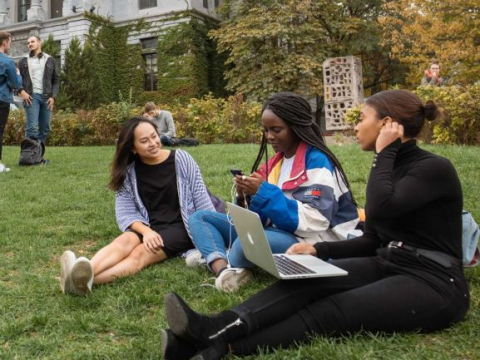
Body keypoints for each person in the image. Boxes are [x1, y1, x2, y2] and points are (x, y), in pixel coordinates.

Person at [161, 89, 469, 360]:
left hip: (434, 281)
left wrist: (384, 153)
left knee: (332, 309)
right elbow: (372, 237)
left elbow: (383, 206)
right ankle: (215, 326)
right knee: (306, 282)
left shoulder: (433, 168)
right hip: (386, 260)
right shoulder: (391, 169)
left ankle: (219, 349)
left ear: (389, 124)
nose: (355, 125)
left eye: (362, 118)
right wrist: (318, 250)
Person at [186, 92, 360, 292]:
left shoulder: (317, 161)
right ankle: (225, 269)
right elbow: (263, 217)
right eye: (266, 130)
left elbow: (316, 220)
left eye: (276, 129)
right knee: (201, 218)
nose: (269, 136)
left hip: (314, 239)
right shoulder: (276, 162)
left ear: (296, 127)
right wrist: (247, 196)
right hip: (280, 230)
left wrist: (263, 192)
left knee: (245, 245)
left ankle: (219, 257)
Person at [59, 116, 216, 296]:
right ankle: (79, 272)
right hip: (148, 226)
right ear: (133, 148)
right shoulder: (130, 172)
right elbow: (126, 213)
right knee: (123, 241)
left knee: (139, 255)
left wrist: (214, 232)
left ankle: (82, 282)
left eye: (154, 136)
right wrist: (146, 232)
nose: (153, 143)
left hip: (181, 227)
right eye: (144, 141)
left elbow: (202, 200)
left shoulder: (182, 159)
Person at [18, 35, 60, 161]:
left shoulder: (50, 59)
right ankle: (27, 156)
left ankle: (37, 155)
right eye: (28, 42)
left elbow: (56, 80)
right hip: (31, 96)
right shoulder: (23, 61)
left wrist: (53, 96)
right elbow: (16, 80)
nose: (29, 44)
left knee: (45, 127)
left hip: (46, 97)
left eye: (32, 41)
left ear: (39, 42)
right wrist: (21, 92)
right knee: (32, 127)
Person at [0, 31, 28, 173]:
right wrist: (18, 75)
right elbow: (15, 84)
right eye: (9, 42)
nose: (9, 45)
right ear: (5, 43)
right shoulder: (7, 61)